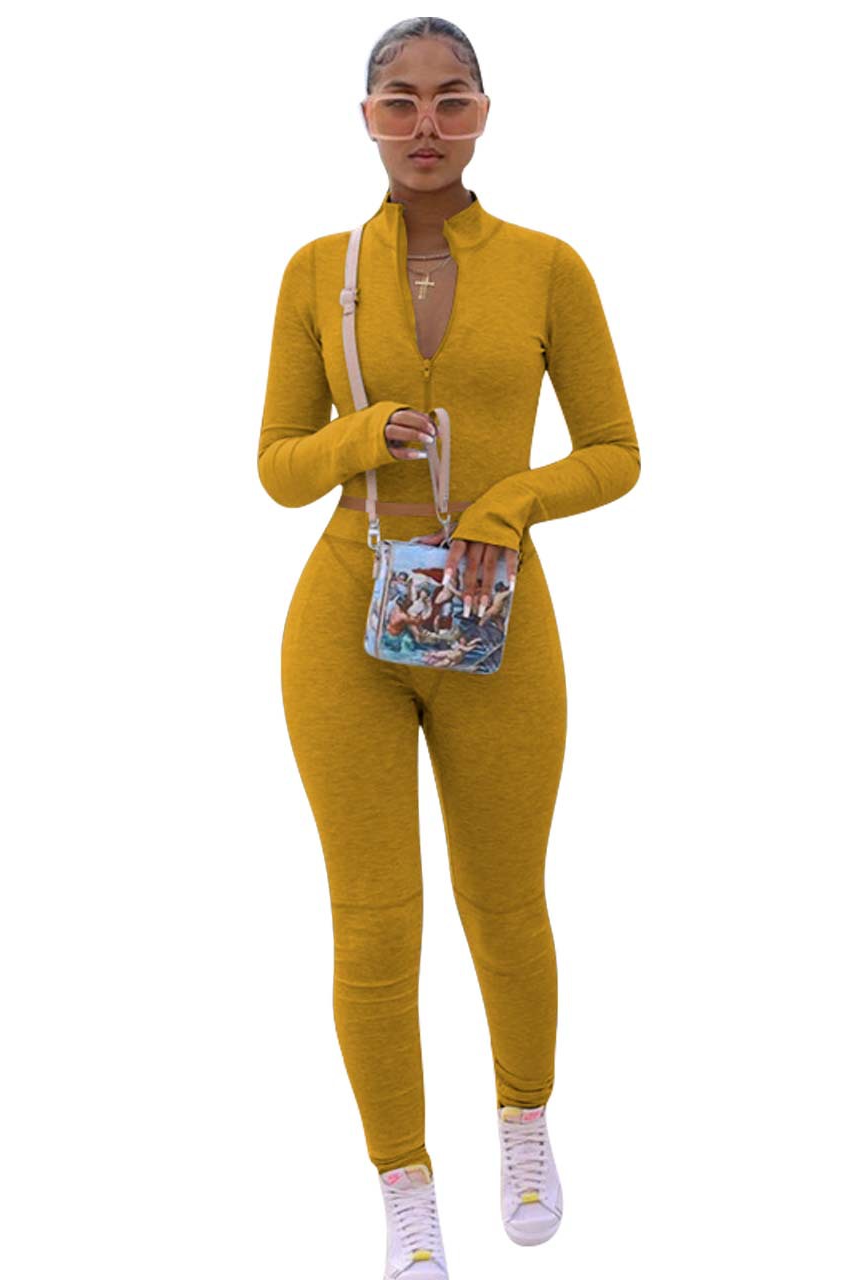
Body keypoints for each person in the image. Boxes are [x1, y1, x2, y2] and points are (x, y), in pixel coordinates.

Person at [257, 17, 640, 1276]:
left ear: (483, 111)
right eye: (400, 99)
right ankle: (403, 1181)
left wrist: (507, 499)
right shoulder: (315, 272)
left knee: (503, 896)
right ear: (365, 115)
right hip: (346, 618)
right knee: (373, 919)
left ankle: (522, 1119)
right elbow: (277, 466)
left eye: (451, 98)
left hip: (495, 612)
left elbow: (615, 451)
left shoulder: (545, 266)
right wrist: (359, 435)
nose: (425, 124)